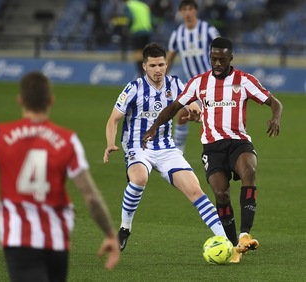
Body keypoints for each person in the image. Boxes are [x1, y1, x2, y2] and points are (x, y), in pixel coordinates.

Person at [0, 71, 120, 281]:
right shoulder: (67, 140)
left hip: (18, 238)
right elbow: (91, 196)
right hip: (57, 238)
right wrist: (110, 234)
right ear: (51, 101)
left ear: (20, 100)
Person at [142, 37, 283, 262]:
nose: (217, 63)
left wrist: (275, 117)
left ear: (230, 58)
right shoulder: (198, 83)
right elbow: (174, 107)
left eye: (221, 59)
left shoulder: (244, 81)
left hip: (239, 142)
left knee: (250, 172)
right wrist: (153, 128)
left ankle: (245, 234)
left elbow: (275, 102)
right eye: (213, 58)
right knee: (221, 193)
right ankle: (234, 247)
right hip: (212, 147)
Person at [103, 42, 235, 260]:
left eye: (162, 64)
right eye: (153, 65)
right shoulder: (133, 88)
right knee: (139, 178)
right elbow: (113, 120)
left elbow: (192, 107)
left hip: (166, 148)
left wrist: (195, 113)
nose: (158, 70)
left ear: (167, 64)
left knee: (196, 190)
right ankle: (125, 228)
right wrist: (110, 143)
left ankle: (226, 243)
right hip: (138, 146)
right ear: (144, 66)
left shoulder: (175, 84)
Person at [167, 0, 220, 153]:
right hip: (193, 85)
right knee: (182, 115)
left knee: (212, 120)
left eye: (190, 9)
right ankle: (178, 150)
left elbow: (222, 50)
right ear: (181, 12)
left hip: (212, 83)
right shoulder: (178, 34)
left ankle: (217, 149)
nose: (188, 12)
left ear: (195, 11)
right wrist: (159, 78)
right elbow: (169, 58)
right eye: (184, 9)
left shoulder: (208, 30)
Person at [123, 0, 153, 77]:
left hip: (137, 31)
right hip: (147, 31)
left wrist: (128, 28)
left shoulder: (129, 5)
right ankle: (148, 72)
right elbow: (152, 20)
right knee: (146, 53)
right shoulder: (144, 5)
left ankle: (141, 73)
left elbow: (130, 18)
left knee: (138, 53)